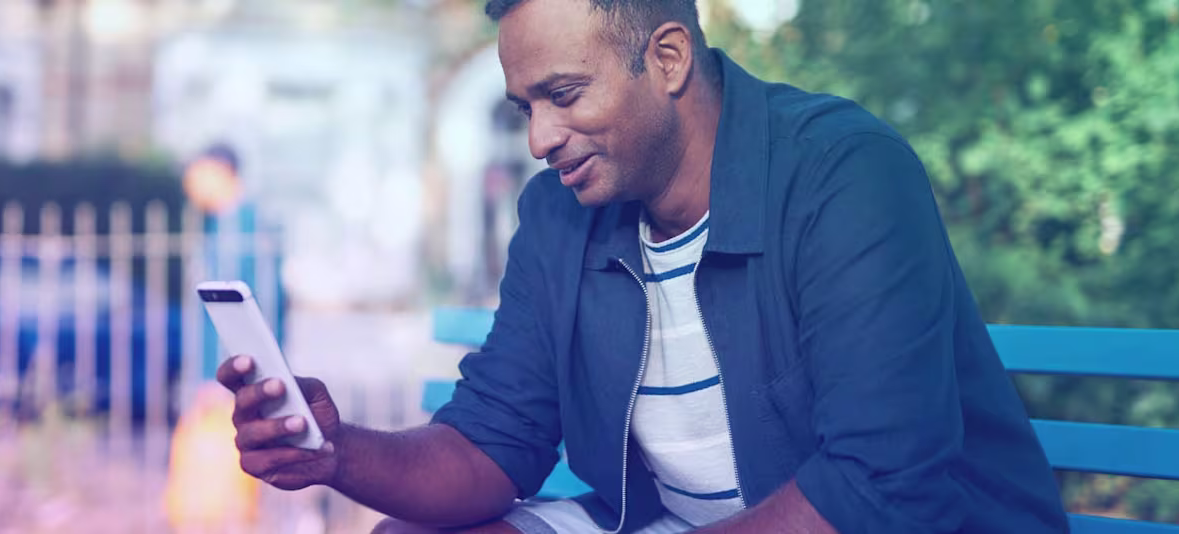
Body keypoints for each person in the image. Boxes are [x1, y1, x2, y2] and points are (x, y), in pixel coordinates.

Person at [216, 0, 1068, 532]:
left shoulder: (842, 173)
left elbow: (880, 493)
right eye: (525, 108)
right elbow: (491, 442)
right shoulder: (561, 211)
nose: (540, 139)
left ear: (666, 59)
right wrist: (334, 452)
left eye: (564, 94)